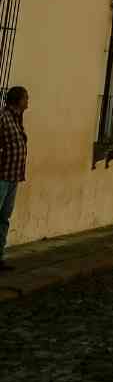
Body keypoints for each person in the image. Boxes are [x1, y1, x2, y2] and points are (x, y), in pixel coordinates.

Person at [0, 86, 29, 271]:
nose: (28, 101)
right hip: (1, 175)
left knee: (4, 218)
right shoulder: (3, 117)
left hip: (13, 176)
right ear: (17, 100)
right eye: (26, 98)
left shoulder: (17, 118)